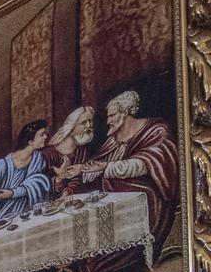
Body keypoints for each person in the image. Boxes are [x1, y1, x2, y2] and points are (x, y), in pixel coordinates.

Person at [62, 89, 180, 251]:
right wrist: (81, 169)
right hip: (113, 195)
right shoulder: (114, 139)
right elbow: (99, 165)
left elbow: (144, 164)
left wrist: (106, 168)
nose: (108, 121)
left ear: (125, 112)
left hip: (145, 193)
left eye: (112, 115)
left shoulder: (156, 131)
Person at [45, 106, 96, 176]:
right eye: (84, 122)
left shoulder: (83, 150)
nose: (89, 125)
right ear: (71, 128)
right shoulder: (49, 154)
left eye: (90, 121)